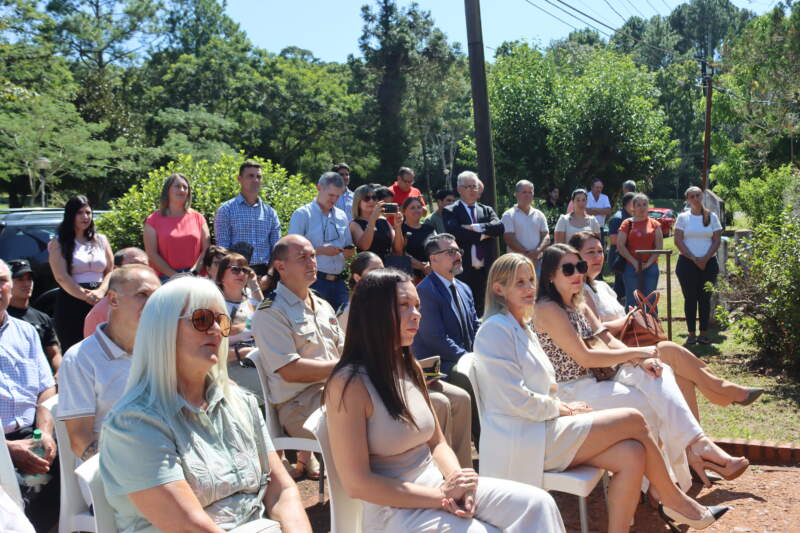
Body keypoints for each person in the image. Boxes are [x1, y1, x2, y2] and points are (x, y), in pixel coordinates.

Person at [474, 253, 729, 533]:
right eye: (519, 283)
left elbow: (549, 381)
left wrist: (562, 407)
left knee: (632, 453)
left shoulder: (523, 327)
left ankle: (646, 512)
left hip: (543, 426)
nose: (529, 288)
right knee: (632, 418)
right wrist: (563, 408)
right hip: (523, 437)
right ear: (498, 289)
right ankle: (674, 500)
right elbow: (514, 399)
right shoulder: (494, 330)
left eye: (530, 281)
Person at [323, 267, 567, 533]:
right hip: (393, 511)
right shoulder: (349, 384)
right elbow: (357, 483)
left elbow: (437, 441)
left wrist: (459, 481)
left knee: (538, 504)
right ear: (373, 313)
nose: (416, 314)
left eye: (417, 306)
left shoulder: (409, 367)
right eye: (404, 305)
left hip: (439, 487)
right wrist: (443, 496)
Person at [99, 276, 312, 533]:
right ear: (162, 330)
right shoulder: (134, 425)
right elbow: (189, 525)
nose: (215, 329)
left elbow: (282, 490)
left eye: (222, 321)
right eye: (201, 319)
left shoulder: (240, 403)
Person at [533, 244, 749, 494]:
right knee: (645, 404)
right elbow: (586, 357)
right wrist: (636, 353)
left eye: (580, 266)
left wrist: (642, 361)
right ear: (550, 275)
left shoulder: (578, 303)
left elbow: (608, 340)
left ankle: (693, 451)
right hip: (570, 391)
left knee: (658, 373)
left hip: (596, 380)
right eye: (568, 269)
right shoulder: (548, 308)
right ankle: (666, 480)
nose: (578, 273)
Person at [571, 231, 763, 438]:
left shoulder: (602, 287)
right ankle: (723, 392)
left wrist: (631, 316)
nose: (598, 257)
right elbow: (597, 331)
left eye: (600, 251)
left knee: (683, 378)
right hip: (615, 359)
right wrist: (630, 317)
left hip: (631, 348)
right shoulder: (581, 291)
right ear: (576, 257)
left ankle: (696, 444)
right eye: (591, 252)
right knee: (668, 349)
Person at [252, 235, 343, 481]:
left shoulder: (322, 305)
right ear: (280, 266)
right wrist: (345, 366)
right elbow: (290, 370)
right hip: (298, 404)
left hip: (334, 391)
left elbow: (345, 350)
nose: (311, 262)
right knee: (363, 418)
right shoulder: (270, 312)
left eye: (313, 256)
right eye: (302, 258)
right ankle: (361, 492)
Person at [58, 265, 160, 466]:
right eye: (143, 295)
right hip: (113, 471)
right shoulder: (80, 358)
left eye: (156, 297)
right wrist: (136, 472)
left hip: (163, 459)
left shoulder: (160, 348)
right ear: (113, 299)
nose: (152, 304)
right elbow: (80, 441)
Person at [0, 259, 59, 532]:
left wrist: (44, 433)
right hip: (2, 445)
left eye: (2, 281)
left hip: (32, 435)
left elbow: (46, 387)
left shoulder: (26, 332)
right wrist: (7, 449)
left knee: (77, 478)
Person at [413, 233, 481, 448]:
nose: (458, 255)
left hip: (463, 359)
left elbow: (475, 327)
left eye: (458, 251)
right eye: (450, 252)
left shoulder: (464, 288)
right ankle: (484, 444)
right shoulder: (425, 291)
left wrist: (484, 353)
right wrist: (470, 360)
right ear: (433, 259)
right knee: (469, 379)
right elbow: (435, 339)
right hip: (437, 366)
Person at [48, 195, 114, 352]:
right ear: (71, 215)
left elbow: (110, 270)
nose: (85, 217)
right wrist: (86, 296)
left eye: (88, 212)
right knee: (75, 350)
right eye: (80, 213)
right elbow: (61, 277)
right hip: (72, 301)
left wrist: (100, 292)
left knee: (104, 349)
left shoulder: (101, 240)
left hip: (100, 299)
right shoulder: (59, 243)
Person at [288, 172, 354, 311]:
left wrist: (349, 251)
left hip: (339, 281)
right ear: (319, 188)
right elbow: (291, 251)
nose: (334, 200)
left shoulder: (342, 215)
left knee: (344, 320)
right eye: (331, 195)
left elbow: (348, 245)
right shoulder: (302, 214)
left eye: (338, 196)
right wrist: (321, 251)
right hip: (313, 281)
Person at [443, 171, 504, 315]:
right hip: (464, 270)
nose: (472, 190)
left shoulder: (486, 210)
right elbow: (457, 233)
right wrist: (486, 234)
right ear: (459, 189)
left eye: (474, 186)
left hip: (487, 268)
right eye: (467, 187)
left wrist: (476, 227)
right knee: (467, 310)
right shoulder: (450, 210)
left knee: (490, 308)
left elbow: (500, 228)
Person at [214, 160, 282, 277]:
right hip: (236, 272)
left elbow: (276, 249)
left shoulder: (270, 213)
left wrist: (269, 276)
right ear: (239, 179)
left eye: (258, 177)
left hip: (265, 274)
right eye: (250, 176)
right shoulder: (226, 210)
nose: (255, 180)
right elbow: (222, 249)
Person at [674, 186, 723, 345]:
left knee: (704, 299)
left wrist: (705, 258)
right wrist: (694, 259)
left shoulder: (711, 216)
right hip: (687, 263)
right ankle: (691, 333)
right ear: (687, 199)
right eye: (692, 196)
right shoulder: (683, 217)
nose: (695, 198)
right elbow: (678, 240)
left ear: (702, 197)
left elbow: (716, 240)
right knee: (690, 298)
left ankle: (703, 333)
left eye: (698, 195)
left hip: (709, 264)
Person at [143, 173, 210, 281]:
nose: (182, 190)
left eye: (185, 187)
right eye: (177, 186)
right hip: (166, 278)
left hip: (196, 277)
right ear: (167, 190)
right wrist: (174, 275)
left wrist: (193, 272)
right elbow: (152, 254)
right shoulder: (153, 220)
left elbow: (206, 250)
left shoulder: (198, 218)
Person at [215, 253, 264, 401]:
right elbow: (224, 334)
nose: (242, 274)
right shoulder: (215, 303)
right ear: (221, 277)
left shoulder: (251, 298)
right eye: (236, 270)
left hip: (257, 357)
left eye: (246, 270)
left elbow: (268, 317)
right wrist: (242, 352)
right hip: (232, 363)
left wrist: (254, 284)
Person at [7, 259, 61, 374]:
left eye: (29, 279)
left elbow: (54, 353)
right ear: (8, 283)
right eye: (20, 279)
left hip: (42, 377)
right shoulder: (3, 317)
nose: (27, 284)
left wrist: (58, 372)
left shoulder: (42, 318)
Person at [83, 246, 149, 338]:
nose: (141, 271)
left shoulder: (158, 301)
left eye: (144, 266)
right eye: (134, 265)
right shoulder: (100, 312)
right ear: (116, 270)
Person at [617, 193, 662, 310]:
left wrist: (647, 264)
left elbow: (658, 247)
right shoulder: (627, 223)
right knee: (632, 300)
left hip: (651, 266)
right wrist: (634, 262)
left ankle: (652, 322)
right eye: (639, 205)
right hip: (630, 266)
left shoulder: (655, 224)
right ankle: (632, 322)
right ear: (633, 207)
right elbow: (620, 245)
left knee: (651, 300)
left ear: (648, 206)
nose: (642, 208)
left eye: (644, 204)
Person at [501, 180, 550, 275]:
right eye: (524, 192)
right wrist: (528, 255)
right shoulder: (508, 215)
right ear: (516, 194)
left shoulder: (539, 214)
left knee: (538, 285)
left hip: (537, 263)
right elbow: (509, 239)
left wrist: (537, 251)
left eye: (530, 192)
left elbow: (546, 237)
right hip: (516, 263)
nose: (527, 195)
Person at [350, 183, 404, 261]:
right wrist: (372, 219)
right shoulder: (355, 224)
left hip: (387, 264)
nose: (371, 201)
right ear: (358, 202)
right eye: (366, 198)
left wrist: (398, 227)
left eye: (374, 198)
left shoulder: (383, 221)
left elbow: (398, 251)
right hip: (368, 265)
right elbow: (365, 246)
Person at [337, 251, 384, 331]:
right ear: (357, 277)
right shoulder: (348, 312)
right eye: (374, 271)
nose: (381, 275)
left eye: (382, 270)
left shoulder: (386, 302)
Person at [607, 192, 635, 300]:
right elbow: (613, 240)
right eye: (635, 202)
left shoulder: (633, 217)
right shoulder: (618, 218)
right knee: (621, 289)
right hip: (620, 258)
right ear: (627, 203)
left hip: (628, 257)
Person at [401, 196, 436, 280]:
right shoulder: (400, 229)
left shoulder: (429, 228)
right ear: (404, 211)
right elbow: (400, 252)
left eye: (419, 207)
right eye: (412, 208)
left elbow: (437, 247)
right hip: (411, 277)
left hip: (433, 272)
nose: (417, 210)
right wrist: (422, 266)